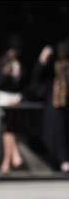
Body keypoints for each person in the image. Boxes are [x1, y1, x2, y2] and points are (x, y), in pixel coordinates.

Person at [33, 41, 69, 173]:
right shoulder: (50, 66)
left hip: (65, 103)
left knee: (63, 131)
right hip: (54, 102)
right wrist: (42, 60)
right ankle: (60, 161)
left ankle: (64, 160)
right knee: (54, 132)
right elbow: (37, 77)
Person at [0, 43, 25, 173]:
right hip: (3, 99)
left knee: (10, 128)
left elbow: (23, 85)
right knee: (8, 128)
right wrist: (5, 73)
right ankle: (12, 158)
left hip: (16, 100)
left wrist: (17, 74)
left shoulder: (19, 64)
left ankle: (8, 161)